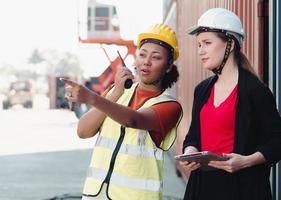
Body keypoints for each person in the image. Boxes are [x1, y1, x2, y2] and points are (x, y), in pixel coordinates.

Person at [61, 23, 183, 200]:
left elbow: (134, 120)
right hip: (96, 195)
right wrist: (116, 92)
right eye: (142, 54)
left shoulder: (170, 106)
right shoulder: (116, 93)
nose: (146, 62)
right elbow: (83, 131)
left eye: (156, 57)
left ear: (169, 65)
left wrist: (92, 98)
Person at [180, 7, 281, 200]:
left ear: (230, 44)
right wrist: (190, 152)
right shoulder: (201, 90)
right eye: (199, 44)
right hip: (201, 187)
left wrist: (246, 161)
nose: (201, 51)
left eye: (207, 43)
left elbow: (278, 141)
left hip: (241, 189)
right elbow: (193, 135)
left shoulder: (254, 90)